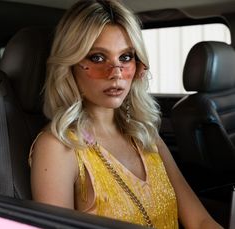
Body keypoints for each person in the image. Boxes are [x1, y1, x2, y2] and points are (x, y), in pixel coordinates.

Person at [29, 0, 223, 228]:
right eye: (98, 58)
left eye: (125, 57)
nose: (116, 73)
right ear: (69, 64)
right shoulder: (58, 147)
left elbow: (200, 221)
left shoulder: (145, 135)